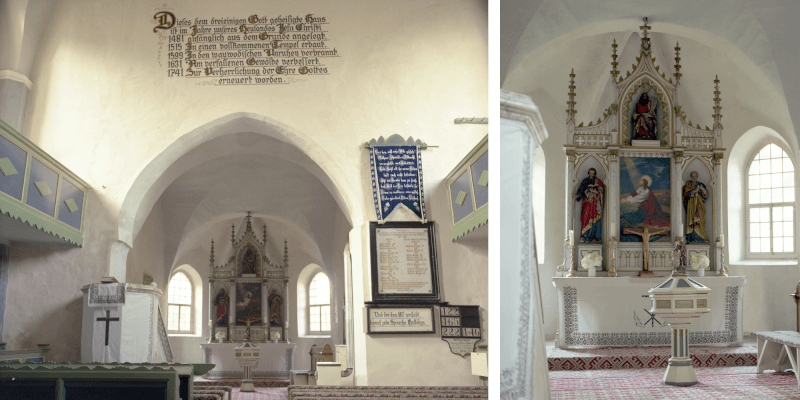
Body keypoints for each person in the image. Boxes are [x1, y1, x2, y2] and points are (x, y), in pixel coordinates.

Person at [575, 168, 604, 242]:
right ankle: (585, 235)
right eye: (590, 173)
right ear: (588, 173)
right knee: (586, 217)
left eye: (593, 173)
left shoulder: (598, 181)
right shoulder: (585, 180)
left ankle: (594, 236)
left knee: (595, 218)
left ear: (595, 173)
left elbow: (601, 192)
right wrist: (578, 195)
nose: (592, 174)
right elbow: (581, 189)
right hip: (587, 202)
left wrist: (595, 191)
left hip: (595, 203)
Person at [683, 171, 709, 243]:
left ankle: (701, 237)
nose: (694, 178)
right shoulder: (688, 185)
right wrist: (695, 191)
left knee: (700, 221)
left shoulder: (700, 185)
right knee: (692, 222)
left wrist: (702, 189)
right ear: (691, 177)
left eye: (695, 176)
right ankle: (692, 238)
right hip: (691, 207)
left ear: (697, 177)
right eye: (693, 176)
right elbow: (685, 195)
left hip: (699, 206)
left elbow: (706, 195)